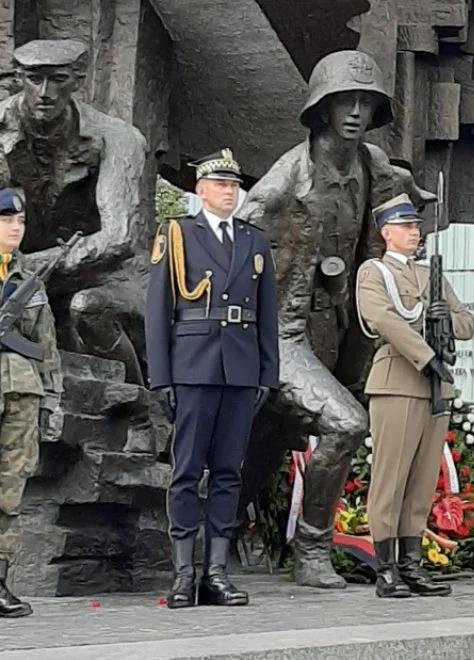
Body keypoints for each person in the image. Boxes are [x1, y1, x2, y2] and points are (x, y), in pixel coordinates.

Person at [237, 49, 435, 589]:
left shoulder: (375, 167)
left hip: (345, 332)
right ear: (320, 109)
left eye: (365, 102)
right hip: (282, 333)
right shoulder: (282, 184)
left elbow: (406, 208)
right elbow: (235, 249)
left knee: (269, 440)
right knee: (345, 424)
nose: (354, 111)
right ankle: (312, 550)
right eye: (343, 100)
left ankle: (224, 524)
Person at [144, 149, 280, 608]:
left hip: (240, 368)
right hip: (193, 365)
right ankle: (184, 573)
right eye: (220, 184)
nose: (229, 191)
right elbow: (159, 310)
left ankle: (216, 573)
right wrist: (161, 376)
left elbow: (267, 314)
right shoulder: (178, 234)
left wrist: (268, 372)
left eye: (234, 185)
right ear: (200, 191)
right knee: (186, 472)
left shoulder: (254, 241)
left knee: (228, 472)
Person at [0, 39, 151, 385]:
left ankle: (139, 406)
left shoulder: (118, 138)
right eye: (34, 79)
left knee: (90, 309)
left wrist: (40, 264)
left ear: (78, 79)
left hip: (95, 274)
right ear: (19, 77)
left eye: (58, 79)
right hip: (10, 271)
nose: (45, 92)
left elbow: (119, 236)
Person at [355, 193, 474, 598]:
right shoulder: (374, 274)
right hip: (398, 382)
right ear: (386, 233)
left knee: (423, 481)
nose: (414, 232)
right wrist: (427, 357)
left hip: (435, 388)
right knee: (391, 479)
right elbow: (383, 320)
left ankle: (411, 563)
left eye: (416, 226)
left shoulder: (430, 275)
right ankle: (385, 568)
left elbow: (467, 323)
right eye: (406, 226)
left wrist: (446, 319)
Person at [0, 189, 61, 617]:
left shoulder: (30, 281)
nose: (15, 228)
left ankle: (0, 582)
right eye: (7, 220)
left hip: (21, 392)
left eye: (20, 221)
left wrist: (53, 400)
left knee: (9, 489)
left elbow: (47, 346)